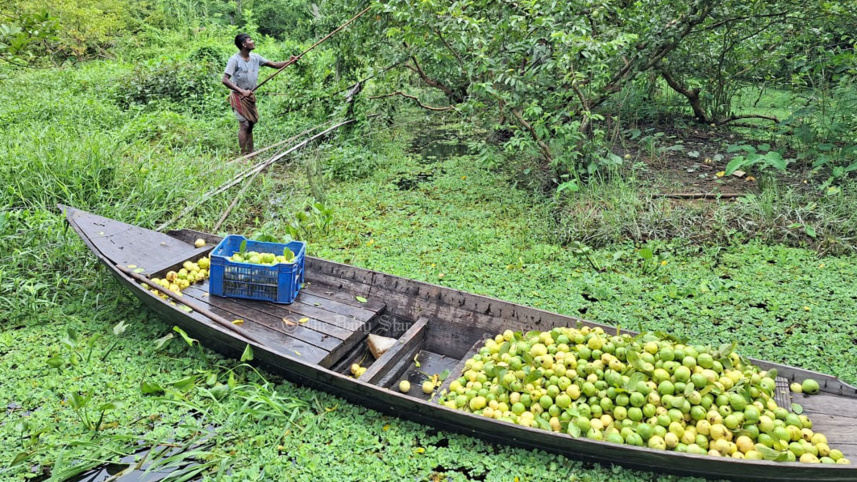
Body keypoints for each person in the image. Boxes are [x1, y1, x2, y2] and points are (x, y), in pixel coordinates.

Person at [222, 33, 296, 154]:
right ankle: (243, 155)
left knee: (250, 125)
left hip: (249, 97)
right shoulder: (234, 60)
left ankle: (251, 153)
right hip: (238, 96)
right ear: (244, 44)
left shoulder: (256, 58)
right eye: (250, 40)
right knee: (244, 125)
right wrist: (242, 91)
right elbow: (225, 80)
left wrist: (289, 61)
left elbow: (275, 65)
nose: (253, 41)